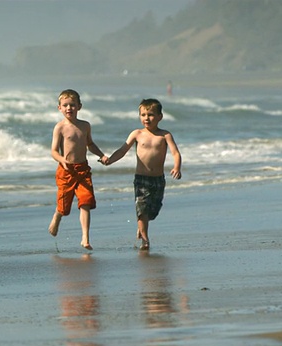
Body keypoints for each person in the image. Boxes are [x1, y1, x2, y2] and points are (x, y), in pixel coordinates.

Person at [103, 98, 182, 251]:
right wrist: (110, 160)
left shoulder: (165, 135)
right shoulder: (137, 134)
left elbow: (175, 153)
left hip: (158, 179)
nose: (147, 118)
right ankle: (145, 240)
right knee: (142, 209)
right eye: (143, 115)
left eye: (151, 115)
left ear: (160, 116)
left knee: (153, 211)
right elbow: (122, 150)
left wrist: (177, 167)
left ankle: (142, 225)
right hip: (141, 179)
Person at [48, 89, 108, 250]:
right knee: (64, 205)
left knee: (85, 202)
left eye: (72, 105)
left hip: (83, 170)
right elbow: (53, 151)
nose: (69, 108)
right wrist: (62, 160)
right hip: (66, 171)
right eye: (65, 105)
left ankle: (85, 238)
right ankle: (57, 216)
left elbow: (90, 144)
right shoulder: (59, 128)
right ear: (59, 108)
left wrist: (102, 156)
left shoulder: (85, 125)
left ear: (79, 106)